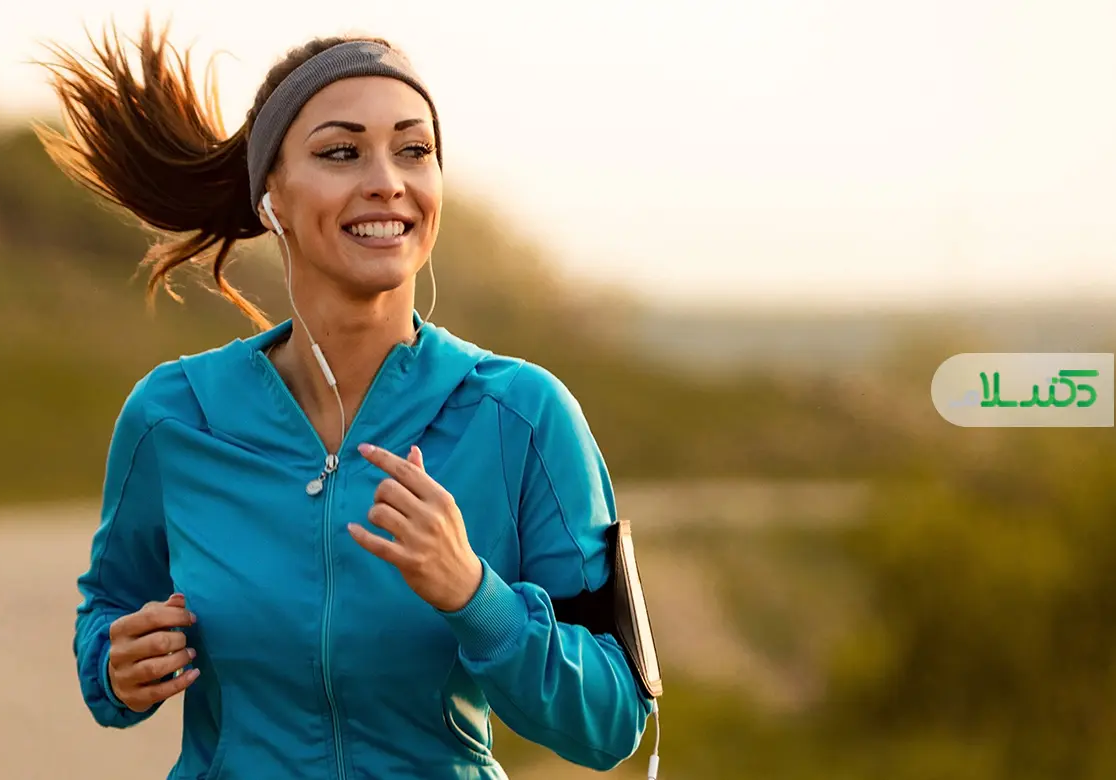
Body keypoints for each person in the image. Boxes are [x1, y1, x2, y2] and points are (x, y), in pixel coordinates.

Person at [38, 17, 660, 780]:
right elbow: (107, 614)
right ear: (270, 195)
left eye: (414, 150)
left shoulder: (522, 416)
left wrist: (474, 594)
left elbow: (613, 722)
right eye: (341, 152)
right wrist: (115, 665)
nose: (387, 181)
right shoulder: (175, 416)